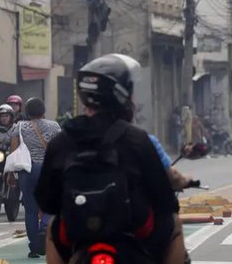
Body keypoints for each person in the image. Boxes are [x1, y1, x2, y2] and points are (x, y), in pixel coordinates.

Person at [35, 53, 185, 264]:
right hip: (132, 235)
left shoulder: (62, 141)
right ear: (122, 95)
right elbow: (165, 199)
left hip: (79, 236)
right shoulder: (137, 139)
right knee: (174, 224)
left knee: (52, 228)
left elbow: (46, 201)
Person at [10, 98, 61, 258]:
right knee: (49, 204)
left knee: (30, 211)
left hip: (26, 170)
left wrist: (11, 173)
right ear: (43, 111)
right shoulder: (54, 126)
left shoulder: (19, 127)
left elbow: (13, 150)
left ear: (27, 112)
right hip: (47, 170)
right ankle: (45, 227)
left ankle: (33, 247)